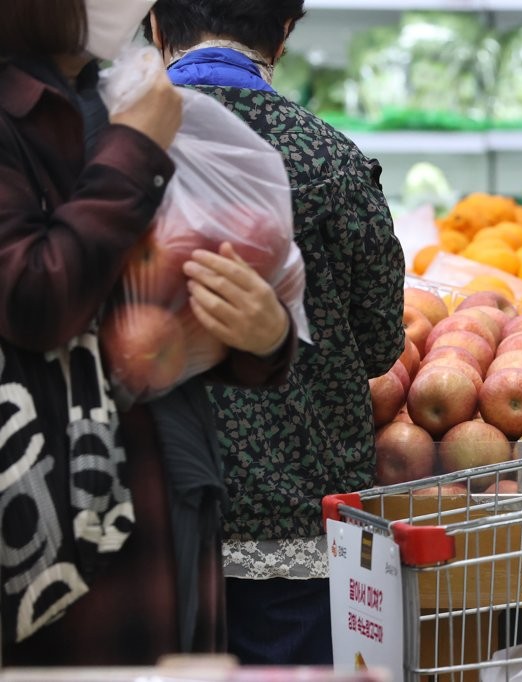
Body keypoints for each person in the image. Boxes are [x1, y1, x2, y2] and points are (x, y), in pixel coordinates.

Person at [0, 0, 297, 666]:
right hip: (56, 511)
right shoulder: (49, 120)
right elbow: (32, 294)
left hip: (168, 483)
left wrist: (264, 334)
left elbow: (160, 309)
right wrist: (135, 147)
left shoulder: (104, 97)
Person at [145, 0, 407, 666]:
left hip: (140, 515)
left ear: (153, 28)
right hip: (291, 520)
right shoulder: (333, 162)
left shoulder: (103, 157)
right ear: (285, 34)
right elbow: (378, 343)